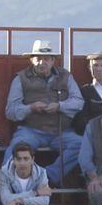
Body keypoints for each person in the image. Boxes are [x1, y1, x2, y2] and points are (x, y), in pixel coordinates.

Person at [5, 40, 84, 187]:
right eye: (38, 58)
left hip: (60, 131)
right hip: (31, 131)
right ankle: (7, 188)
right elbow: (10, 111)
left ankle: (47, 177)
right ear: (31, 59)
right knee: (15, 149)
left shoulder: (66, 76)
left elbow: (79, 101)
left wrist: (60, 106)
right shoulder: (20, 78)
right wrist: (30, 108)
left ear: (53, 60)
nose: (42, 62)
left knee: (82, 144)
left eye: (46, 59)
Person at [76, 51, 102, 129]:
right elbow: (81, 120)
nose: (99, 69)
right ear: (89, 68)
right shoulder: (84, 92)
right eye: (95, 65)